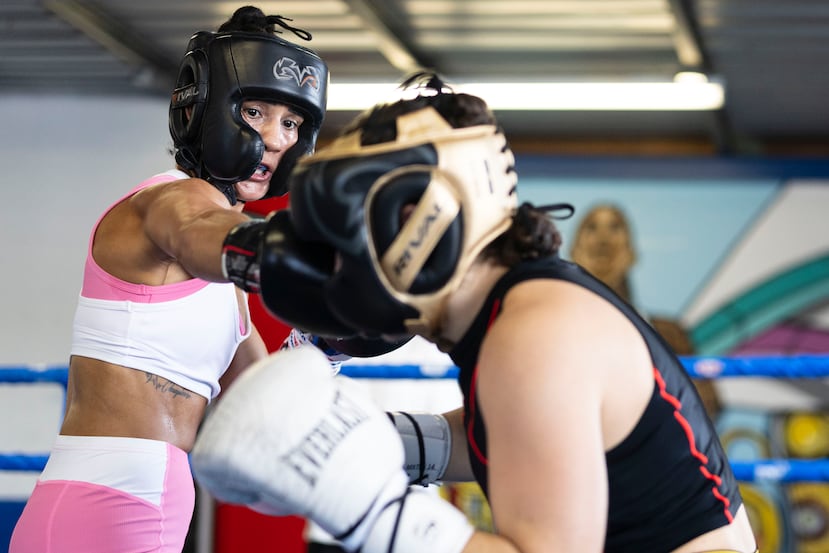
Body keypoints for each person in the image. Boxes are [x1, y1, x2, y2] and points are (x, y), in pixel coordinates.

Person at [190, 73, 759, 553]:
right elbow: (517, 431)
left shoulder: (533, 335)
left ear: (428, 213)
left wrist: (369, 508)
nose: (343, 259)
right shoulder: (520, 311)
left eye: (357, 226)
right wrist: (389, 441)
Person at [9, 6, 330, 552]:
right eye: (255, 112)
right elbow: (198, 229)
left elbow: (263, 398)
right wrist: (293, 253)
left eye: (292, 123)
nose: (276, 140)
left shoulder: (226, 285)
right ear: (205, 110)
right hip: (106, 506)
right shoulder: (172, 201)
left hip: (130, 504)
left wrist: (334, 338)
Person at [569, 203, 722, 418]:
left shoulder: (669, 333)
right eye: (592, 228)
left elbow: (707, 405)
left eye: (615, 227)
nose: (603, 240)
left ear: (632, 252)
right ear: (573, 251)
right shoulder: (551, 333)